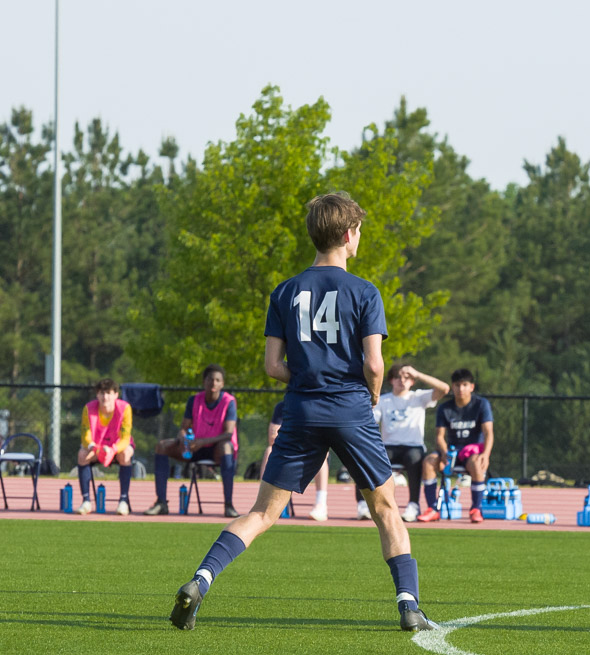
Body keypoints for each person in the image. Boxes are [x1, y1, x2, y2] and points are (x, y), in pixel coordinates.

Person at [168, 192, 435, 632]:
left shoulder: (285, 291)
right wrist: (368, 396)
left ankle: (200, 580)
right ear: (349, 235)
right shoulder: (365, 291)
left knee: (262, 513)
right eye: (359, 231)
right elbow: (374, 364)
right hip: (350, 408)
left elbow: (273, 366)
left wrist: (310, 378)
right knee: (386, 508)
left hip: (302, 409)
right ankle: (409, 606)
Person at [144, 365, 239, 517]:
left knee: (226, 447)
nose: (213, 383)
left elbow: (228, 434)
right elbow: (183, 428)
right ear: (204, 382)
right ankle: (161, 502)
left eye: (217, 380)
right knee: (161, 446)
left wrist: (203, 441)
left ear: (222, 383)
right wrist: (183, 439)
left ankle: (229, 505)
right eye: (210, 379)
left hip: (216, 450)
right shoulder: (194, 400)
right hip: (194, 448)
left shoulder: (229, 402)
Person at [359, 363, 449, 522]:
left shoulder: (419, 397)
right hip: (389, 447)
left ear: (412, 381)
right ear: (391, 380)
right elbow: (371, 421)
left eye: (406, 377)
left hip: (413, 447)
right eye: (397, 377)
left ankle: (413, 505)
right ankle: (365, 504)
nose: (402, 380)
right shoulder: (384, 400)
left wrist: (417, 373)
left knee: (414, 458)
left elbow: (444, 389)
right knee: (366, 458)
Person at [416, 368, 493, 524]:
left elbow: (488, 433)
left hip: (471, 453)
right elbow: (439, 436)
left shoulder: (481, 404)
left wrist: (486, 454)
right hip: (450, 451)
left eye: (465, 385)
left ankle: (476, 509)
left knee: (477, 463)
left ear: (472, 386)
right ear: (453, 386)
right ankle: (433, 509)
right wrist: (445, 454)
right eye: (457, 385)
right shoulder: (445, 408)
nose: (461, 389)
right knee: (429, 461)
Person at [75, 378, 135, 516]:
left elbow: (125, 439)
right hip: (97, 447)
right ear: (97, 394)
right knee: (82, 454)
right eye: (102, 393)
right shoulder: (88, 409)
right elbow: (85, 436)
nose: (105, 397)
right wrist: (95, 448)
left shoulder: (125, 409)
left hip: (117, 447)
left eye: (108, 393)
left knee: (125, 454)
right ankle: (86, 501)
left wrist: (113, 450)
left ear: (116, 395)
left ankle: (123, 501)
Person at [264, 402, 330, 521]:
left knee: (322, 454)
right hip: (289, 450)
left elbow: (322, 438)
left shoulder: (319, 405)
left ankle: (321, 504)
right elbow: (272, 439)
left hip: (310, 450)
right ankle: (266, 501)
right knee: (269, 451)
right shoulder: (283, 406)